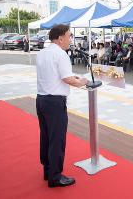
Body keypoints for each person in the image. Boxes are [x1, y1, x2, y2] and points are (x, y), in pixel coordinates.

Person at [36, 24, 88, 188]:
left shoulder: (42, 53)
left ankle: (47, 170)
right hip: (55, 102)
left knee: (46, 137)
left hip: (41, 99)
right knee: (57, 139)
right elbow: (67, 79)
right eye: (69, 36)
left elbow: (54, 75)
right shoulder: (60, 54)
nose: (70, 39)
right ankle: (55, 177)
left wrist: (73, 78)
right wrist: (83, 82)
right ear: (60, 38)